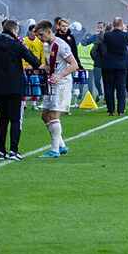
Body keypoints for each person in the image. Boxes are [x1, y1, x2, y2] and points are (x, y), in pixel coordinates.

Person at [0, 19, 40, 161]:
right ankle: (14, 150)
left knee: (2, 120)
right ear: (14, 31)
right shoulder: (17, 45)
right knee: (15, 119)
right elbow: (35, 62)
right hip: (15, 87)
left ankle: (1, 150)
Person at [36, 19, 75, 157]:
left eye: (41, 35)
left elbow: (73, 64)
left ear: (49, 31)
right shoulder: (46, 46)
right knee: (44, 115)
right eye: (37, 36)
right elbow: (49, 66)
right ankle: (61, 145)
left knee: (53, 115)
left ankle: (54, 150)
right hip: (50, 82)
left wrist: (60, 75)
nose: (39, 38)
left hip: (62, 83)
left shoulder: (61, 45)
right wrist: (38, 68)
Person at [97, 17, 128, 116]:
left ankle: (111, 110)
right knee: (121, 88)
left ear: (113, 24)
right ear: (121, 24)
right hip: (121, 64)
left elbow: (104, 47)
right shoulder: (126, 35)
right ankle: (120, 110)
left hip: (109, 64)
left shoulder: (107, 35)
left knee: (109, 88)